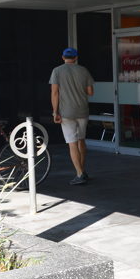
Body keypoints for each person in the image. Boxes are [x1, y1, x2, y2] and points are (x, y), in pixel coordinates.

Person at [50, 47, 95, 185]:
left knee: (72, 143)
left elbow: (55, 93)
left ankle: (79, 174)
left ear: (63, 57)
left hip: (66, 112)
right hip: (82, 111)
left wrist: (55, 112)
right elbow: (90, 92)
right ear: (75, 58)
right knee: (81, 140)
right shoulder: (83, 70)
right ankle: (83, 171)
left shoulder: (57, 71)